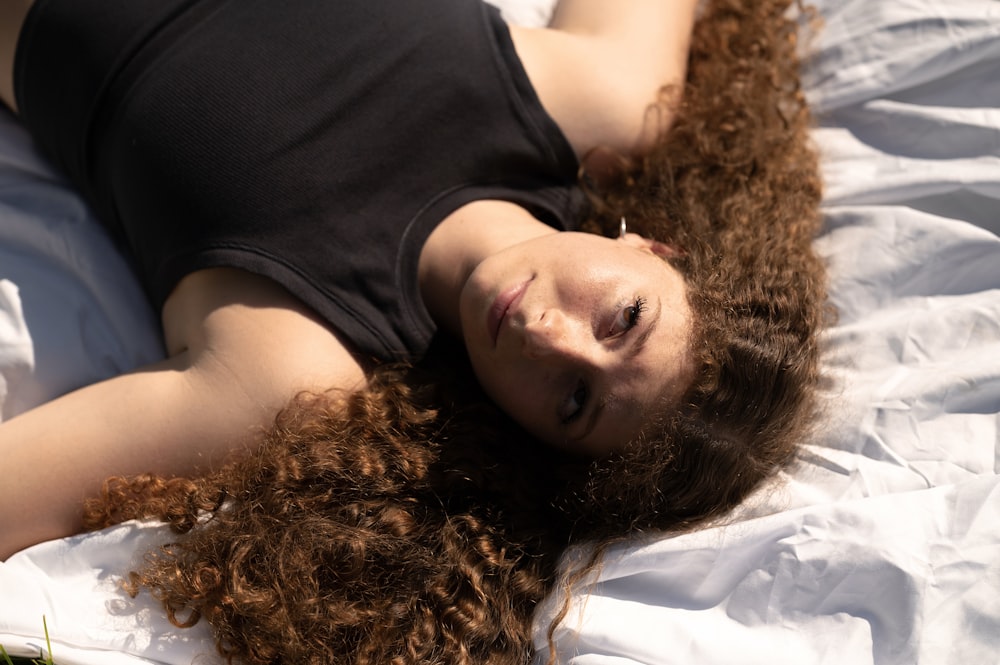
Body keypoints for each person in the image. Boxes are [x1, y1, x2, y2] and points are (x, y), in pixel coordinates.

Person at [0, 0, 827, 662]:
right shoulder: (606, 101)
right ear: (655, 247)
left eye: (574, 401)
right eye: (624, 319)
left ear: (536, 437)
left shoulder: (293, 364)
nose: (551, 337)